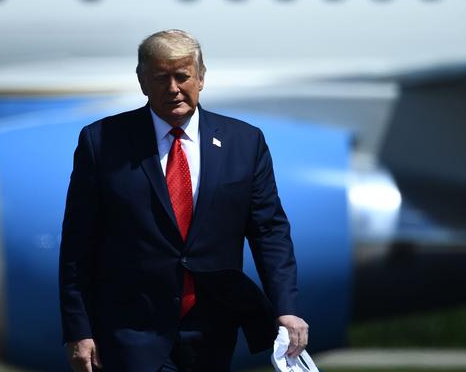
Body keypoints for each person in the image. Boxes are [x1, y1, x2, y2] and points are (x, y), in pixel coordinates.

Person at [59, 29, 308, 372]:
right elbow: (78, 245)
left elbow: (269, 232)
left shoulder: (244, 142)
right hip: (131, 328)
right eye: (161, 78)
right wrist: (79, 329)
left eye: (182, 76)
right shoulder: (102, 142)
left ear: (201, 78)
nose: (173, 88)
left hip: (213, 328)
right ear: (142, 81)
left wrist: (286, 308)